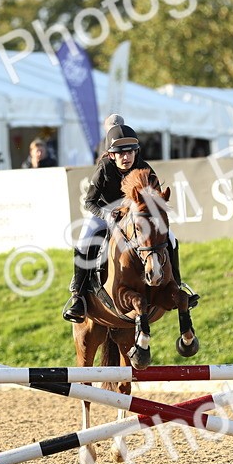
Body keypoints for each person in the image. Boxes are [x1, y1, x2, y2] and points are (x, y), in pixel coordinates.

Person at [63, 117, 199, 323]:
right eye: (120, 153)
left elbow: (156, 203)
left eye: (130, 152)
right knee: (84, 240)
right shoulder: (104, 169)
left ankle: (177, 284)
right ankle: (78, 296)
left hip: (136, 216)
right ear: (111, 155)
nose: (126, 157)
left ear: (136, 152)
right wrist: (107, 214)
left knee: (171, 238)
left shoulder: (144, 169)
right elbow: (89, 202)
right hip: (106, 212)